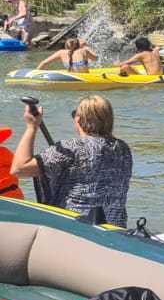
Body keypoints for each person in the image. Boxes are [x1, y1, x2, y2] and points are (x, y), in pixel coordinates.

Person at [11, 95, 133, 224]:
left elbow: (19, 169)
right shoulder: (123, 149)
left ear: (78, 119)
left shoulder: (71, 148)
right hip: (115, 229)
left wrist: (32, 127)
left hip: (75, 229)